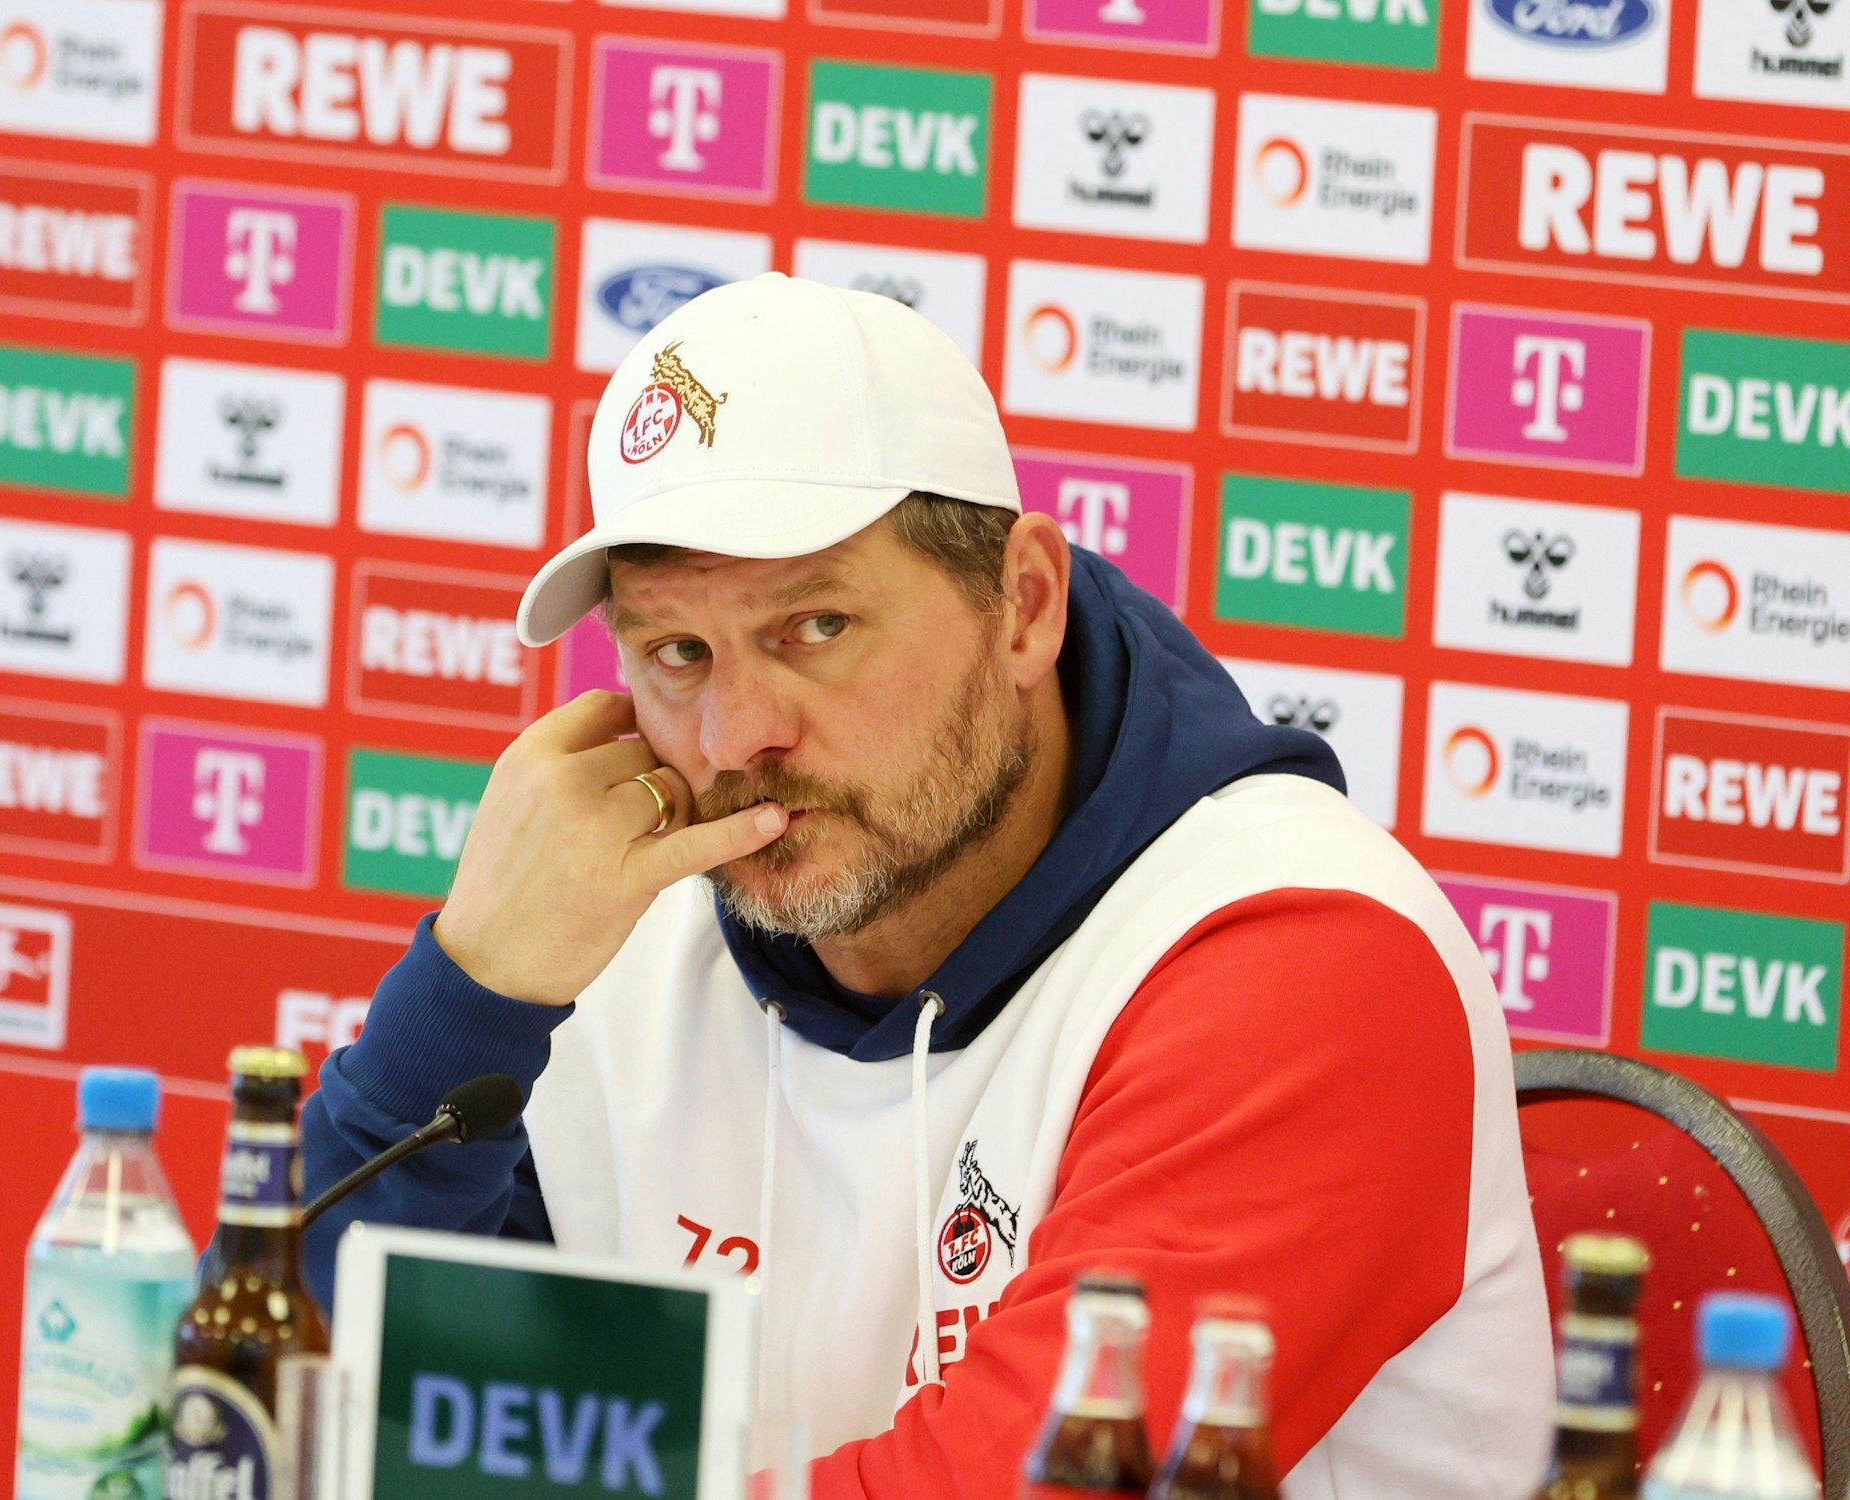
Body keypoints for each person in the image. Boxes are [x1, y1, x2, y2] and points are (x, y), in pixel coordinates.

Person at [302, 273, 1553, 1498]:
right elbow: (329, 1401)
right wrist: (472, 991)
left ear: (1022, 607)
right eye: (678, 652)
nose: (736, 736)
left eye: (816, 628)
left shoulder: (1302, 960)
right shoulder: (625, 919)